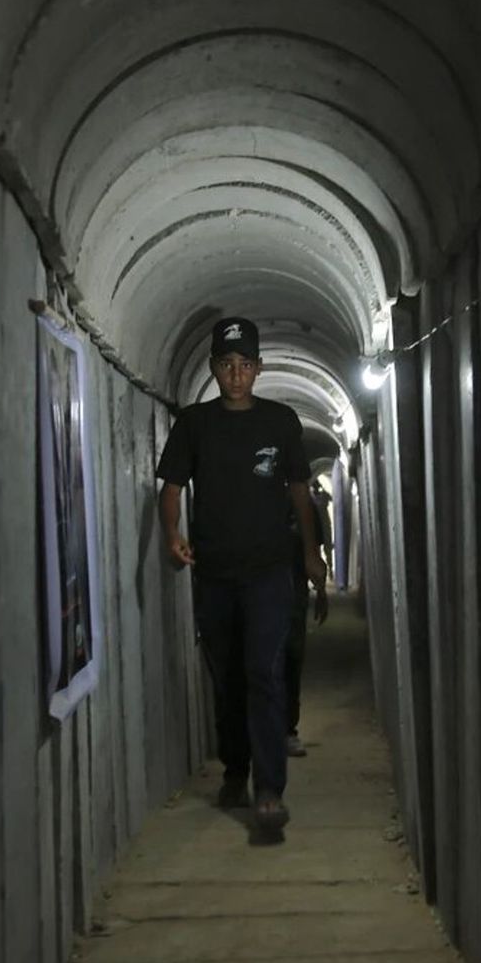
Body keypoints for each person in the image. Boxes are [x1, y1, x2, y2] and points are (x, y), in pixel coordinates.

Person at [157, 317, 329, 830]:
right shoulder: (194, 424)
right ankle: (235, 769)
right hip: (215, 572)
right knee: (228, 677)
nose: (236, 374)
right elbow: (171, 487)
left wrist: (311, 553)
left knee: (264, 673)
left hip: (268, 572)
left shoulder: (280, 422)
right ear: (214, 368)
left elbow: (299, 490)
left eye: (245, 365)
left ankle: (269, 788)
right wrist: (172, 533)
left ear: (258, 368)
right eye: (227, 364)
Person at [283, 487, 333, 757]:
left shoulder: (304, 503)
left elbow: (315, 551)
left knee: (291, 659)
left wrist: (321, 591)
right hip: (259, 591)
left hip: (293, 594)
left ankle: (287, 730)